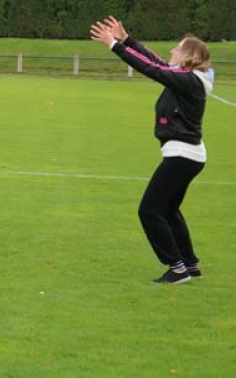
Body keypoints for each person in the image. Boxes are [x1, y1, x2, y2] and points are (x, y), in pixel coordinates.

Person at [89, 15, 213, 284]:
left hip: (182, 155)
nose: (172, 51)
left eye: (177, 48)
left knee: (149, 210)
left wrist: (114, 46)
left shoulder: (189, 81)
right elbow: (156, 62)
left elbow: (151, 69)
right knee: (168, 210)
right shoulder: (186, 77)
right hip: (187, 155)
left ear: (189, 56)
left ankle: (177, 268)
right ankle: (190, 264)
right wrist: (127, 39)